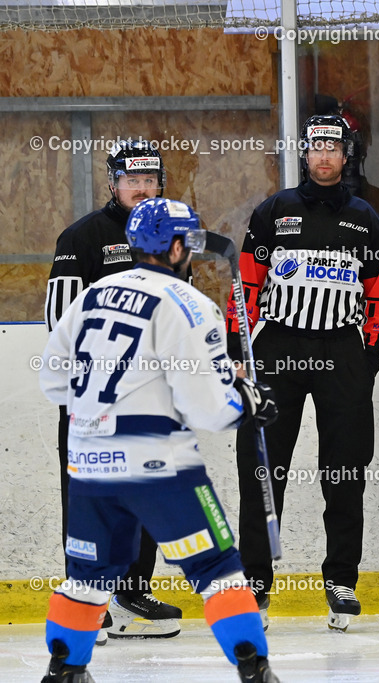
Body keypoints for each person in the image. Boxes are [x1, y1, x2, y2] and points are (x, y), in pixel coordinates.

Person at [38, 197, 280, 682]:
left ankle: (64, 671)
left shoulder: (92, 295)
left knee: (88, 578)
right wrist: (247, 402)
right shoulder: (190, 305)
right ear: (173, 248)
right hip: (160, 468)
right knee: (218, 569)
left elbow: (53, 381)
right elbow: (209, 411)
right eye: (187, 242)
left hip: (89, 467)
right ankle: (255, 670)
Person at [228, 114, 379, 632]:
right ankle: (255, 581)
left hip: (342, 352)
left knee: (344, 471)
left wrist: (368, 358)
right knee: (261, 465)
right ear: (304, 153)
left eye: (333, 147)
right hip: (278, 348)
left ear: (347, 155)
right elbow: (246, 287)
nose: (324, 155)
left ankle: (341, 580)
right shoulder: (274, 211)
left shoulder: (367, 217)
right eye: (316, 146)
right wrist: (239, 348)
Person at [45, 139, 184, 641]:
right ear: (113, 183)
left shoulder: (169, 238)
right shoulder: (82, 237)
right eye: (132, 181)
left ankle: (129, 593)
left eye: (150, 181)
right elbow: (59, 319)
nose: (142, 189)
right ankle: (87, 603)